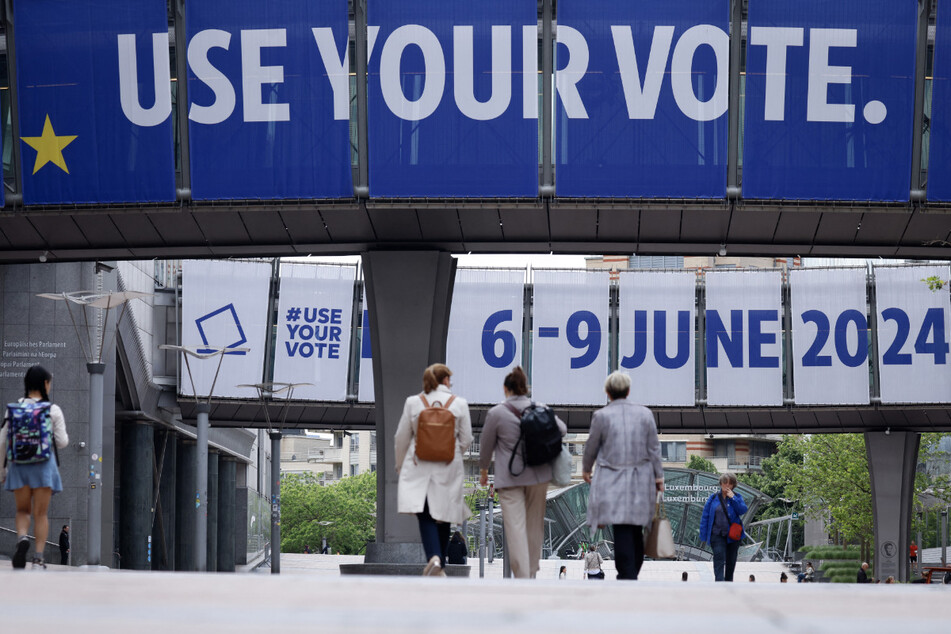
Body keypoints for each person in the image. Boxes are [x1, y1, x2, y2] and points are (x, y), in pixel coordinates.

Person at [479, 366, 566, 579]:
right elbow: (562, 429)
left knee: (515, 528)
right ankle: (532, 571)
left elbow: (486, 445)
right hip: (538, 477)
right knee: (535, 527)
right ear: (525, 389)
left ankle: (522, 575)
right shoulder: (541, 409)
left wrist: (483, 471)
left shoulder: (497, 413)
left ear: (506, 389)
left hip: (509, 479)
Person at [582, 371, 664, 581]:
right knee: (636, 526)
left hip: (612, 478)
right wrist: (658, 477)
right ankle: (630, 572)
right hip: (641, 477)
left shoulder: (601, 416)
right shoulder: (645, 414)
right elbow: (654, 448)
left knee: (621, 525)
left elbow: (591, 446)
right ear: (628, 391)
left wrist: (586, 468)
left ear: (608, 393)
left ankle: (627, 573)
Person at [395, 363, 472, 577]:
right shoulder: (459, 404)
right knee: (445, 514)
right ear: (446, 380)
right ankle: (441, 565)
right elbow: (466, 439)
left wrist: (400, 464)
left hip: (419, 464)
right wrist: (452, 452)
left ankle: (434, 558)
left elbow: (401, 438)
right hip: (449, 466)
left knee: (425, 513)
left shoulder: (413, 403)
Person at [0, 366, 69, 569]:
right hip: (44, 468)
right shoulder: (52, 410)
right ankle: (38, 556)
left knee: (23, 510)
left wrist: (2, 471)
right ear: (45, 384)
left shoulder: (13, 408)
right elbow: (63, 441)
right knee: (41, 513)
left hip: (19, 466)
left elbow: (2, 440)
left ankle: (22, 538)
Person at [698, 472, 748, 582]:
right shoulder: (713, 498)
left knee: (731, 561)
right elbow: (705, 517)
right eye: (725, 483)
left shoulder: (737, 497)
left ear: (733, 485)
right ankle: (719, 583)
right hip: (717, 535)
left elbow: (742, 510)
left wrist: (733, 498)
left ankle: (729, 582)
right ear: (720, 484)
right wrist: (704, 536)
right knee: (719, 557)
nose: (727, 486)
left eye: (730, 484)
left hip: (733, 536)